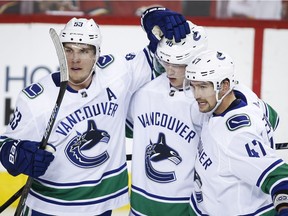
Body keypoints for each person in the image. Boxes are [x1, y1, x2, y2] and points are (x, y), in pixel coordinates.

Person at [0, 7, 191, 215]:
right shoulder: (35, 99)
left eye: (84, 51)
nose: (75, 59)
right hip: (48, 207)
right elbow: (7, 144)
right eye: (69, 50)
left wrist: (153, 16)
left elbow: (158, 60)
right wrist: (18, 156)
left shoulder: (116, 74)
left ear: (97, 53)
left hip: (100, 206)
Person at [185, 49, 288, 215]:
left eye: (203, 87)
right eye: (193, 86)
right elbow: (274, 118)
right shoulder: (247, 98)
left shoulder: (235, 136)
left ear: (225, 85)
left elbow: (280, 178)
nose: (197, 95)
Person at [126, 21, 208, 216]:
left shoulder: (206, 101)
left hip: (187, 207)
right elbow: (128, 130)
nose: (170, 70)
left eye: (178, 64)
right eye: (166, 61)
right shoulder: (145, 92)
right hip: (140, 206)